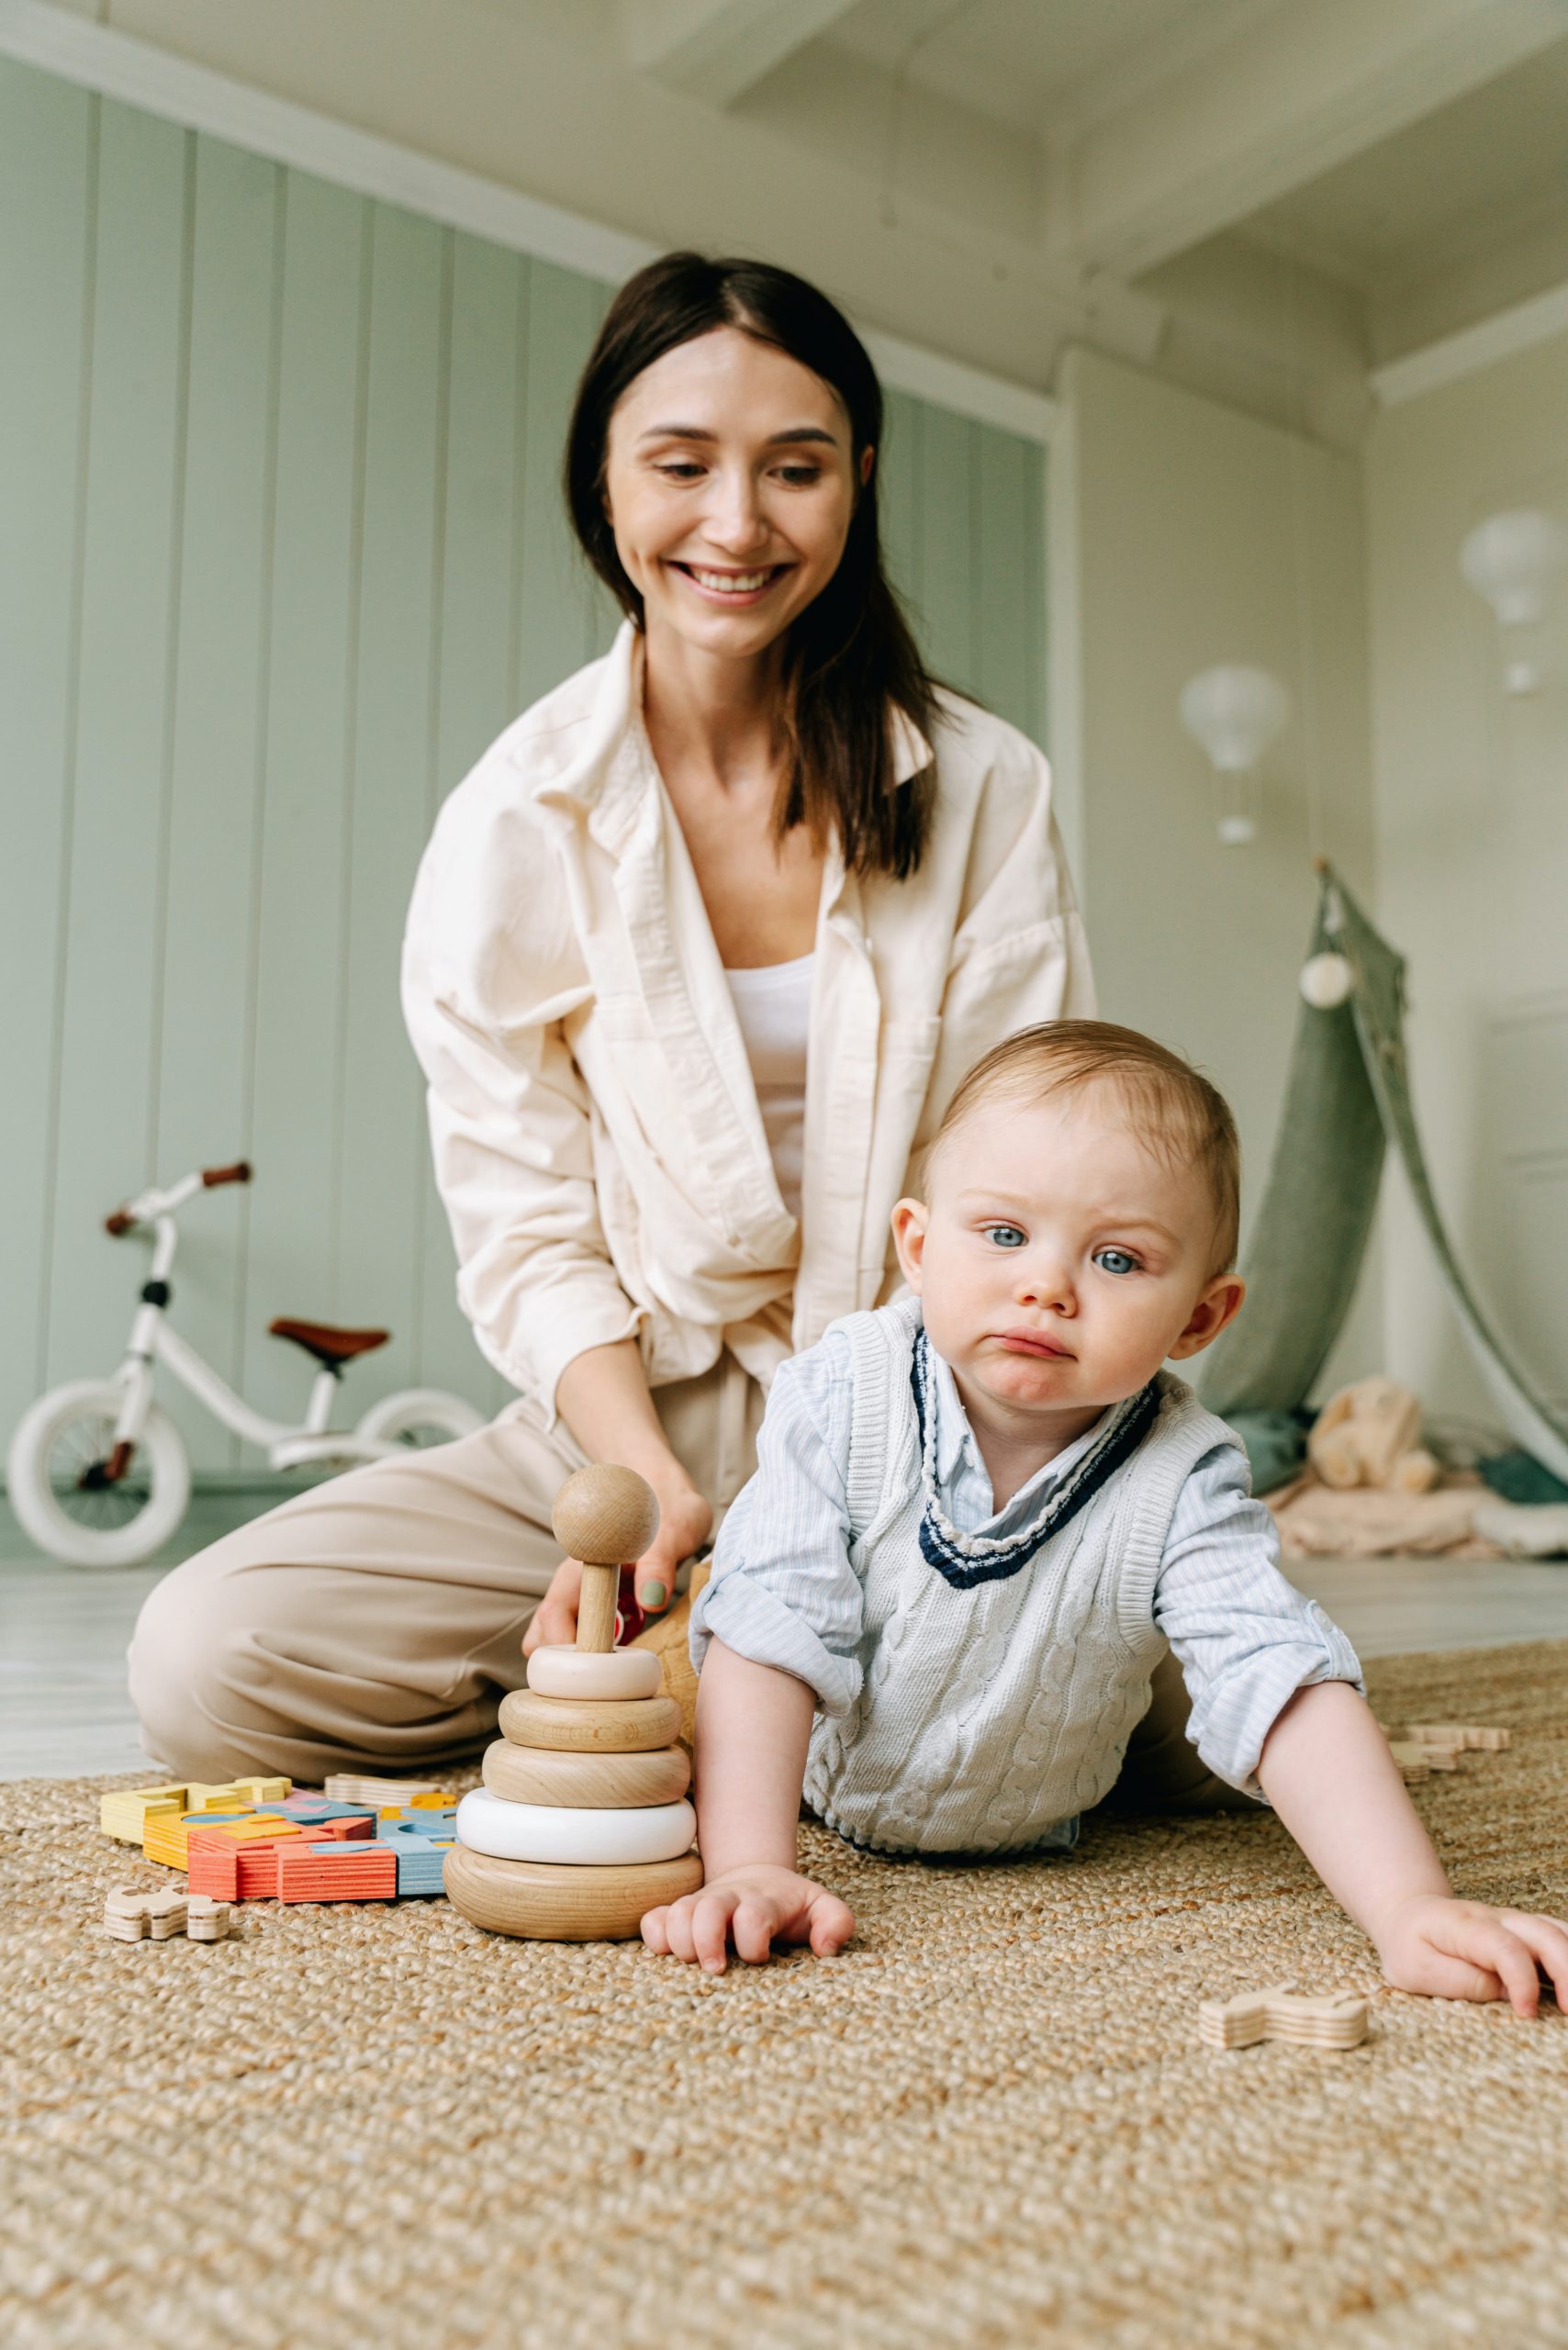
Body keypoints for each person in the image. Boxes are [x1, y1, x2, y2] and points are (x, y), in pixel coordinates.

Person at [127, 252, 1095, 1782]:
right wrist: (639, 1487)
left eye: (794, 468)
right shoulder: (512, 820)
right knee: (203, 1661)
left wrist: (876, 1483)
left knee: (1176, 1680)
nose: (735, 524)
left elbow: (1029, 1184)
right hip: (632, 1422)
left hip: (935, 1414)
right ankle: (730, 1680)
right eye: (681, 466)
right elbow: (525, 1231)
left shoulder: (981, 787)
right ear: (603, 481)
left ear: (859, 479)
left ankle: (706, 1693)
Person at [644, 1022, 1568, 2020]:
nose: (1046, 1285)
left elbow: (1275, 1669)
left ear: (1199, 1320)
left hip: (1072, 1754)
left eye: (1118, 1259)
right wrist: (747, 1866)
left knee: (1244, 1715)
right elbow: (772, 1631)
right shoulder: (841, 1392)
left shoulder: (1185, 1467)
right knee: (702, 1658)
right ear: (917, 1246)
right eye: (1003, 1234)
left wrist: (1410, 1906)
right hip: (839, 1764)